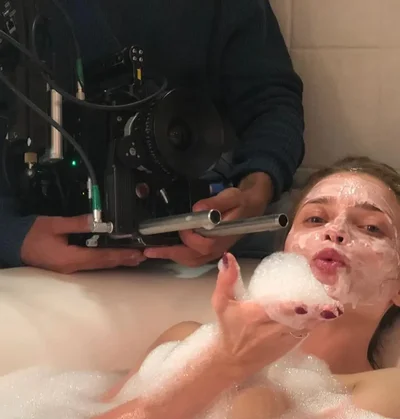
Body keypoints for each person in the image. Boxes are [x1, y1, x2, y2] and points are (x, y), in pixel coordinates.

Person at [89, 156, 400, 419]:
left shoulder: (389, 390)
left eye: (371, 227)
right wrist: (223, 363)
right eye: (315, 219)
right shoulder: (182, 342)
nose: (335, 231)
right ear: (284, 253)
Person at [0, 0, 304, 273]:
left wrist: (254, 192)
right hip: (34, 243)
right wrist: (13, 235)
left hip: (199, 232)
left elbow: (271, 102)